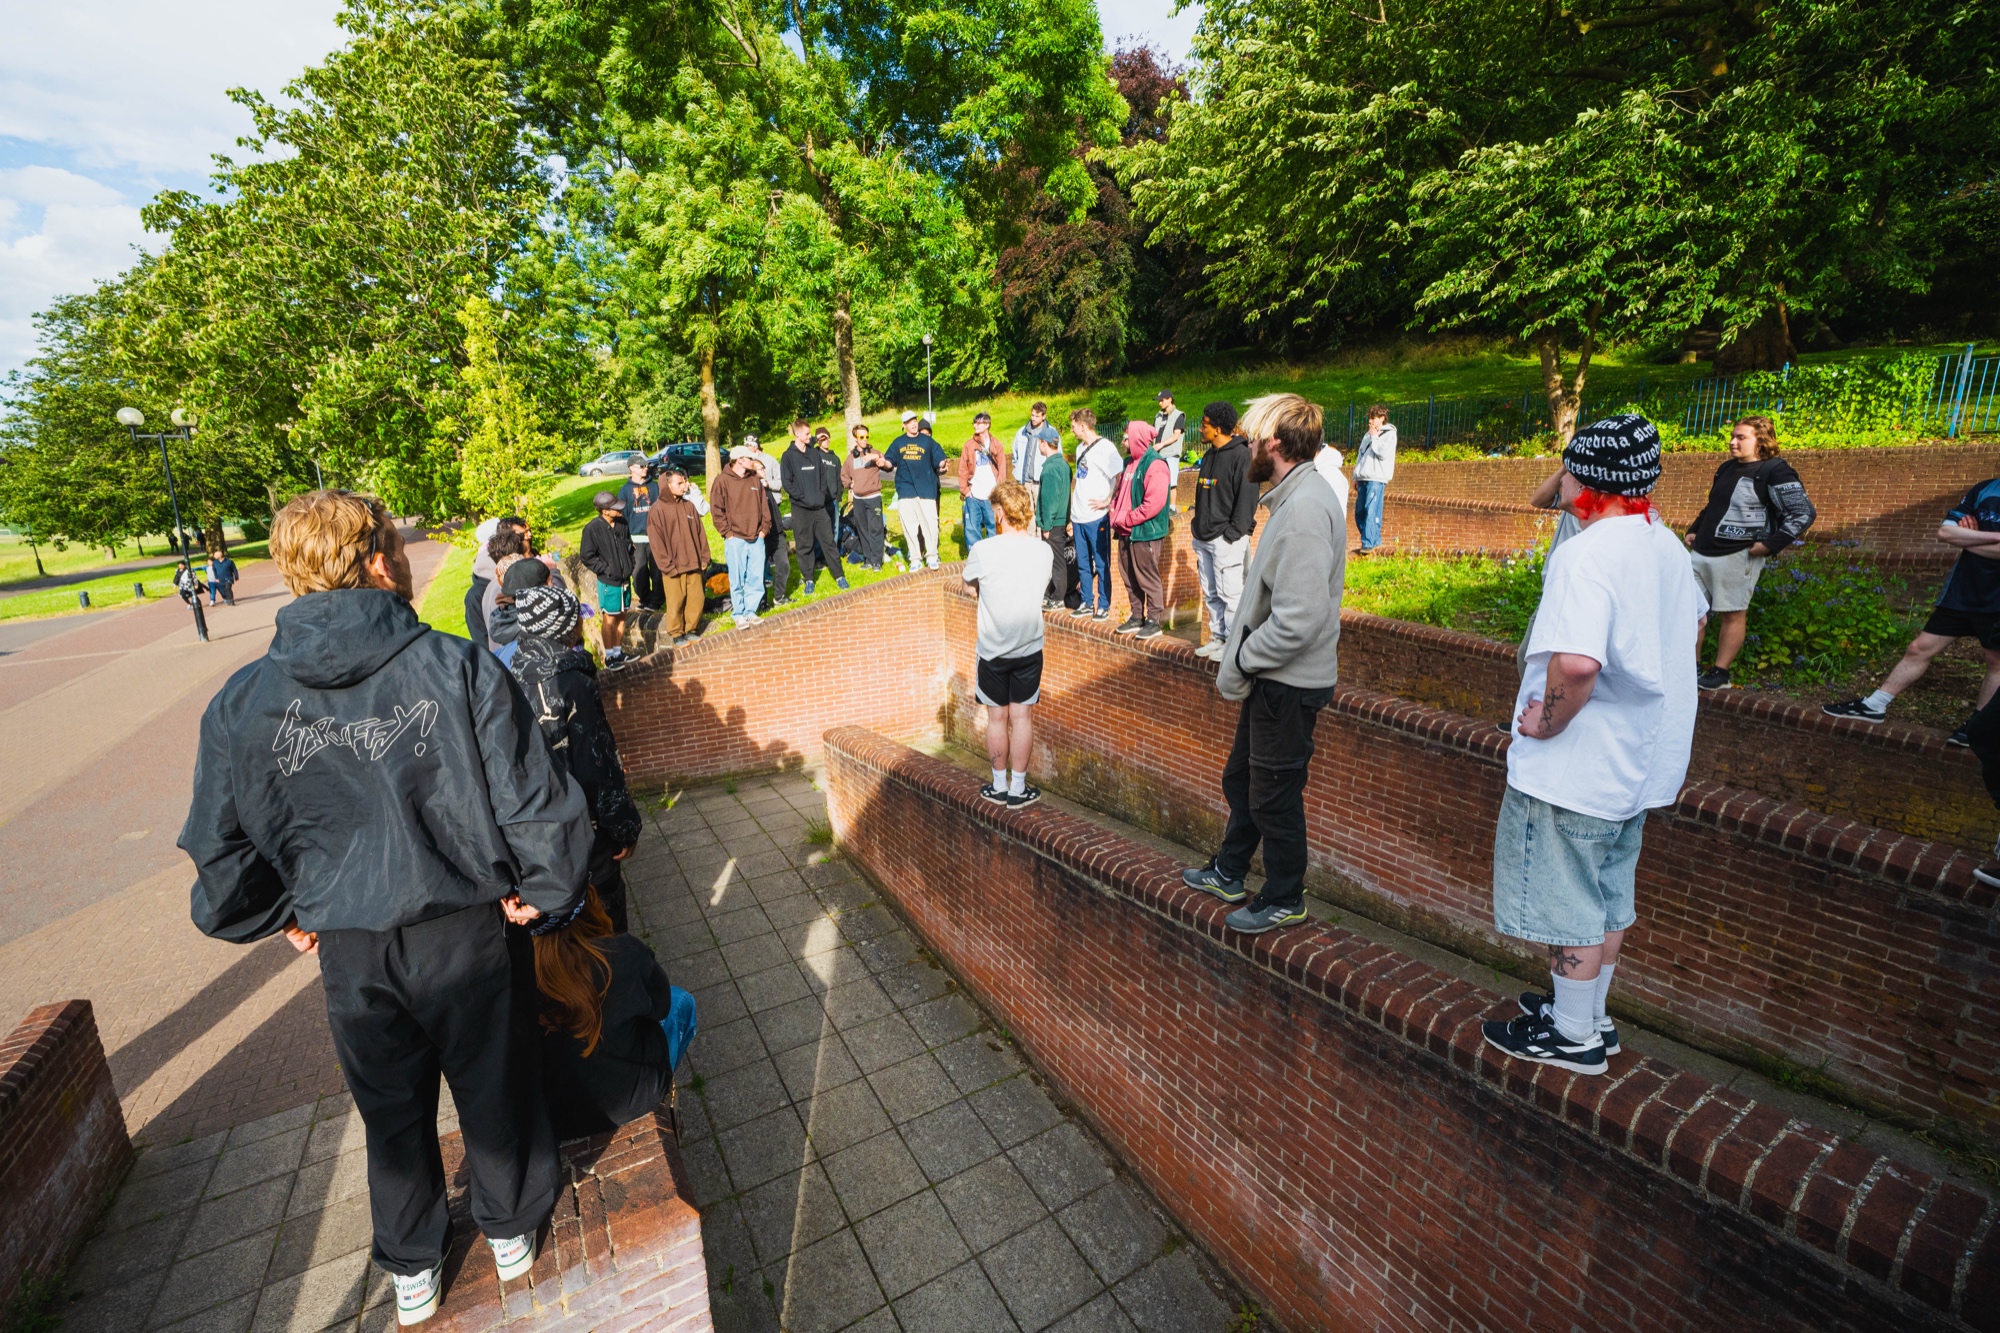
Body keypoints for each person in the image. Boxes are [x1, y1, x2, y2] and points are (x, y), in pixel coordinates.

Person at [181, 490, 589, 1326]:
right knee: (493, 1078)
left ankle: (413, 1262)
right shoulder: (456, 666)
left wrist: (281, 910)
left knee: (390, 1107)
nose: (402, 558)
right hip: (465, 927)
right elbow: (532, 798)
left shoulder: (243, 702)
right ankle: (508, 1223)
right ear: (375, 560)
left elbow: (220, 854)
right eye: (397, 546)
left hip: (352, 945)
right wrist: (544, 890)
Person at [1481, 414, 1704, 1077]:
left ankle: (1572, 1034)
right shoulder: (1663, 542)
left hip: (1577, 768)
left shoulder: (1586, 554)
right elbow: (1694, 625)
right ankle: (1592, 1015)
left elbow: (1577, 665)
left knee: (1568, 898)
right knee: (1608, 892)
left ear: (1584, 479)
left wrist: (1544, 723)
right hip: (1640, 761)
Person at [1181, 393, 1347, 935]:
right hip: (1272, 681)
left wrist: (1244, 657)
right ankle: (1230, 871)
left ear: (1274, 443)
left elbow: (1299, 619)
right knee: (1245, 779)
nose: (1247, 446)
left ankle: (1284, 897)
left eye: (1253, 438)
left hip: (1286, 684)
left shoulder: (1303, 511)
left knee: (1274, 795)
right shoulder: (1293, 499)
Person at [1822, 477, 2000, 743]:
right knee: (1918, 648)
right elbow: (1945, 533)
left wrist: (1968, 539)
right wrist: (1994, 536)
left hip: (1996, 599)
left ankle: (1978, 727)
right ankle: (1875, 705)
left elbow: (1960, 538)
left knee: (1996, 662)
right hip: (1962, 593)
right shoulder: (1985, 488)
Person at [508, 586, 643, 933]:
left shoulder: (510, 677)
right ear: (563, 628)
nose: (582, 625)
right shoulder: (573, 682)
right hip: (588, 842)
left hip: (540, 843)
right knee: (606, 930)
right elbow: (597, 766)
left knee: (565, 939)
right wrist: (624, 828)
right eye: (576, 620)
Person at [532, 885, 688, 1140]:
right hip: (633, 1099)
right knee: (683, 1002)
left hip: (556, 1116)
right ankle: (665, 1088)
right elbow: (662, 1006)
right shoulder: (622, 952)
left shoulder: (512, 973)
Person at [1684, 415, 1816, 690]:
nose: (1732, 442)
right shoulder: (1726, 468)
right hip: (1702, 551)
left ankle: (1720, 673)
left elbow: (1803, 513)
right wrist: (1695, 529)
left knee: (1732, 614)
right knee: (1689, 611)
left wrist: (1770, 544)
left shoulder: (1776, 470)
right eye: (1732, 436)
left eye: (1741, 437)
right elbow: (1714, 505)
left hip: (1738, 554)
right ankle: (1689, 669)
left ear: (1761, 441)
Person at [964, 481, 1054, 809]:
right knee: (1023, 717)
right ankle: (1018, 789)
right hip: (1029, 650)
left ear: (1000, 513)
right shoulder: (1043, 551)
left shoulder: (983, 550)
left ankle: (998, 785)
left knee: (997, 719)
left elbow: (969, 588)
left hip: (993, 652)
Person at [1191, 402, 1257, 661]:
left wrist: (1232, 534)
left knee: (1230, 593)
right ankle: (1218, 636)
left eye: (1204, 425)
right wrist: (1197, 527)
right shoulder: (1209, 456)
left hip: (1226, 539)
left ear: (1217, 429)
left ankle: (1234, 643)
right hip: (1204, 537)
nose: (1200, 429)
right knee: (1211, 593)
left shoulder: (1241, 456)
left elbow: (1247, 500)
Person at [1109, 419, 1171, 639]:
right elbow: (1120, 492)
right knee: (1129, 576)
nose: (1123, 442)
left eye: (1126, 438)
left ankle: (1154, 620)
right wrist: (1114, 509)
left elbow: (1153, 504)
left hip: (1144, 532)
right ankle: (1137, 616)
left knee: (1147, 576)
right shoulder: (1128, 463)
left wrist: (1127, 518)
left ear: (1137, 439)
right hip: (1125, 531)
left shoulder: (1156, 464)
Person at [781, 420, 849, 593]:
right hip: (800, 509)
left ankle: (839, 576)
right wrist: (803, 498)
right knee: (805, 545)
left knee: (828, 542)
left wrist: (819, 496)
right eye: (806, 434)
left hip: (819, 507)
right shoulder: (788, 456)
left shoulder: (814, 453)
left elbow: (823, 477)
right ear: (797, 434)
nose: (809, 436)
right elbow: (787, 483)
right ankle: (809, 579)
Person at [1068, 409, 1123, 623]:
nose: (1072, 430)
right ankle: (1086, 601)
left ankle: (1104, 605)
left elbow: (1119, 475)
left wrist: (1108, 500)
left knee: (1101, 563)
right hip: (1078, 517)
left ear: (1083, 426)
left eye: (1074, 426)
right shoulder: (1079, 448)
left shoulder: (1105, 448)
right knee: (1083, 563)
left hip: (1096, 517)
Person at [712, 445, 773, 623]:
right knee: (737, 578)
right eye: (750, 458)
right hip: (735, 539)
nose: (753, 461)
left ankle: (750, 611)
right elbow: (717, 510)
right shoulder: (722, 481)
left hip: (757, 537)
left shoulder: (754, 479)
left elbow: (764, 507)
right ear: (739, 460)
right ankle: (738, 614)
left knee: (756, 577)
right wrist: (728, 533)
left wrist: (763, 531)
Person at [648, 470, 709, 646]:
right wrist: (667, 566)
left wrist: (704, 557)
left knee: (696, 599)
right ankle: (676, 633)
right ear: (667, 486)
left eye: (684, 482)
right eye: (680, 483)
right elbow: (656, 542)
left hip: (694, 562)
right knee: (675, 601)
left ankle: (691, 629)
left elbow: (700, 533)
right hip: (673, 567)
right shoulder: (657, 510)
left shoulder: (689, 506)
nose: (685, 486)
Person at [885, 410, 948, 569]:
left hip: (926, 490)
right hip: (906, 490)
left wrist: (942, 464)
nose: (913, 424)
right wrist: (883, 463)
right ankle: (915, 559)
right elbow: (889, 462)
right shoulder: (898, 443)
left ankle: (932, 556)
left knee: (931, 525)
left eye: (915, 421)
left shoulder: (928, 442)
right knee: (909, 526)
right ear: (904, 425)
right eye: (910, 422)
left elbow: (940, 459)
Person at [578, 492, 635, 666]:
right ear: (605, 511)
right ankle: (609, 657)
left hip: (625, 581)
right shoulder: (592, 529)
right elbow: (587, 556)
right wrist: (606, 570)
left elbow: (629, 546)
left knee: (622, 615)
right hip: (609, 583)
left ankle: (618, 652)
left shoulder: (622, 523)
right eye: (615, 507)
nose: (620, 510)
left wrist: (630, 564)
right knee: (609, 618)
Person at [744, 434, 791, 605]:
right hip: (761, 534)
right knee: (758, 570)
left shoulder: (768, 489)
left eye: (764, 469)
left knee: (784, 565)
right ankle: (761, 601)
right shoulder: (751, 492)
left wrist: (781, 529)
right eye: (761, 470)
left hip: (776, 533)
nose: (765, 472)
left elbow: (775, 511)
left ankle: (779, 596)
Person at [958, 412, 1011, 548]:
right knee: (972, 529)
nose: (975, 425)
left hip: (991, 495)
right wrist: (965, 490)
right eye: (974, 423)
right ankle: (974, 555)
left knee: (993, 527)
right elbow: (962, 469)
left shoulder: (997, 445)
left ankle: (993, 554)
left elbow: (1002, 470)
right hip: (973, 494)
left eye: (978, 423)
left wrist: (999, 491)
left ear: (987, 425)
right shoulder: (969, 445)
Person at [843, 424, 892, 570]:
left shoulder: (875, 453)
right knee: (863, 530)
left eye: (867, 436)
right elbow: (844, 476)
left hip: (873, 497)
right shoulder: (850, 459)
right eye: (861, 437)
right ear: (855, 438)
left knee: (876, 529)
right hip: (858, 499)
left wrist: (879, 459)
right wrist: (850, 485)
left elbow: (888, 467)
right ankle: (868, 559)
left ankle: (877, 561)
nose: (865, 439)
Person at [617, 461, 664, 612]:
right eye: (641, 466)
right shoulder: (624, 491)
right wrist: (626, 539)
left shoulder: (655, 487)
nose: (645, 468)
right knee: (638, 573)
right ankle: (645, 599)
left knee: (657, 572)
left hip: (656, 537)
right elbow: (622, 517)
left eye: (646, 466)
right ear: (631, 468)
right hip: (636, 540)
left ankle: (657, 601)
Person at [1034, 430, 1072, 610]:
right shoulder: (1064, 465)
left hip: (1053, 523)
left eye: (1039, 442)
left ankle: (1057, 598)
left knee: (1055, 561)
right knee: (1056, 559)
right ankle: (1050, 594)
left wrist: (1046, 525)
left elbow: (1049, 500)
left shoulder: (1049, 469)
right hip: (1062, 520)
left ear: (1044, 443)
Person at [1353, 404, 1397, 554]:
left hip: (1376, 478)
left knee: (1371, 510)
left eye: (1373, 418)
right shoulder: (1368, 435)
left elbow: (1382, 453)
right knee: (1359, 512)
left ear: (1382, 418)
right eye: (1369, 418)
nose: (1370, 421)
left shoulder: (1389, 434)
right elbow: (1361, 455)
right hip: (1363, 477)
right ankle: (1374, 540)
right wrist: (1355, 476)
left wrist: (1375, 438)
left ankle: (1369, 543)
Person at [1011, 402, 1060, 523]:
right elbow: (1015, 455)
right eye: (1032, 415)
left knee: (1042, 513)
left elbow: (1057, 456)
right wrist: (1016, 472)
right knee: (1027, 515)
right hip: (1024, 482)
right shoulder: (1021, 432)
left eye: (1037, 416)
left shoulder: (1051, 432)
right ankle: (1030, 535)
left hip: (1041, 482)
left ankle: (1041, 535)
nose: (1033, 418)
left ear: (1044, 416)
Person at [1154, 390, 1189, 505]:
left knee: (1172, 483)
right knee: (1158, 483)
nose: (1159, 403)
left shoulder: (1179, 415)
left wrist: (1161, 444)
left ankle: (1172, 507)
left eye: (1162, 400)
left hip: (1171, 454)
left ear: (1170, 399)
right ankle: (1160, 507)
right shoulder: (1158, 416)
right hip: (1157, 455)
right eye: (1159, 401)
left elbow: (1176, 435)